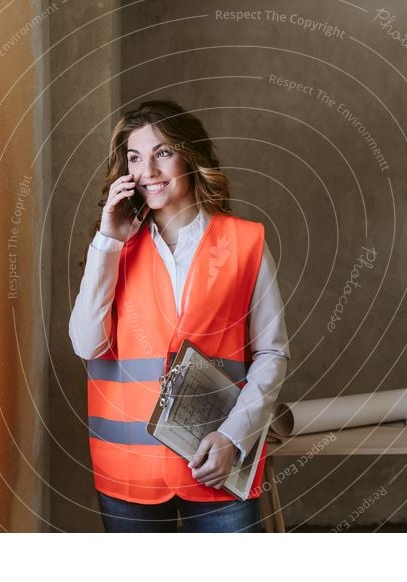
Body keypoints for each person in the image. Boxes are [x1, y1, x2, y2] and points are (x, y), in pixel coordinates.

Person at [69, 100, 289, 533]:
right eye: (135, 157)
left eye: (162, 152)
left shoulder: (245, 241)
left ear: (190, 155)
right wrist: (107, 240)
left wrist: (233, 439)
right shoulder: (113, 247)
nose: (147, 169)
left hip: (216, 464)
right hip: (127, 470)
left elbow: (273, 352)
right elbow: (85, 344)